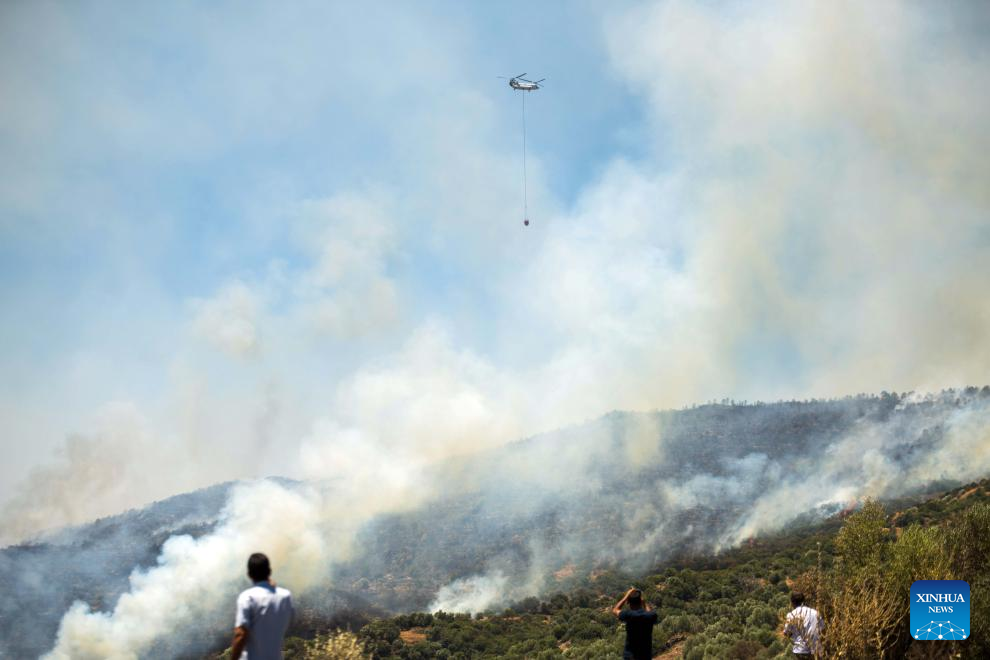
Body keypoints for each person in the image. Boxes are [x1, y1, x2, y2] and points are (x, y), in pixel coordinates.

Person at [231, 553, 294, 660]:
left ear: (249, 574)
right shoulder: (285, 596)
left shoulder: (247, 597)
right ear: (269, 571)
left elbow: (241, 634)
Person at [612, 587, 658, 660]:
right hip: (645, 655)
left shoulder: (628, 615)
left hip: (630, 656)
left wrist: (626, 596)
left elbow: (615, 610)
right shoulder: (651, 616)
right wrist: (644, 603)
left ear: (628, 602)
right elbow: (649, 612)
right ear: (640, 601)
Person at [783, 591, 821, 659]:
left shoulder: (791, 615)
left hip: (801, 650)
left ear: (792, 603)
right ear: (804, 601)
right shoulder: (815, 613)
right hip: (816, 650)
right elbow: (823, 630)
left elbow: (786, 633)